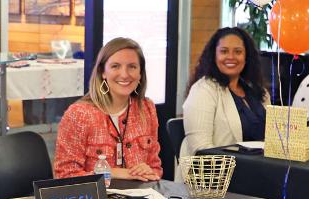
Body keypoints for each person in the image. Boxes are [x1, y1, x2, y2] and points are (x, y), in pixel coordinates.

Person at [54, 37, 162, 181]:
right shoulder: (79, 114)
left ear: (140, 74)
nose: (124, 74)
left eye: (132, 66)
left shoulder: (147, 109)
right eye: (115, 66)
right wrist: (113, 173)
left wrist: (148, 171)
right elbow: (64, 176)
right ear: (103, 72)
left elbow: (156, 170)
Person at [181, 27, 269, 158]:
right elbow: (201, 150)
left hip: (261, 170)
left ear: (246, 56)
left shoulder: (259, 91)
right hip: (218, 173)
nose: (231, 57)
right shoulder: (203, 90)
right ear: (214, 55)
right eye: (224, 51)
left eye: (238, 52)